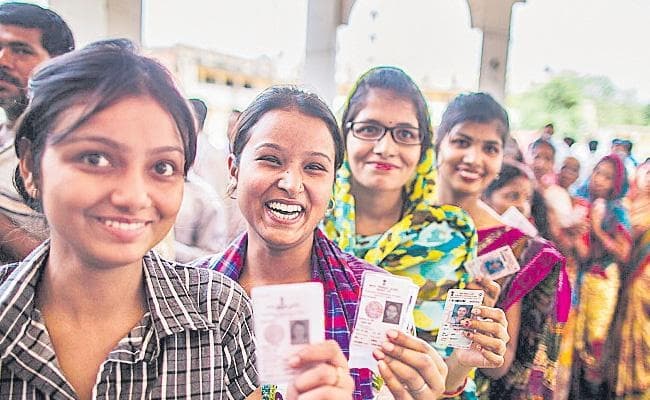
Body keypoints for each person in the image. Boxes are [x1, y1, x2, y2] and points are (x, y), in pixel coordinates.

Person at [0, 40, 257, 398]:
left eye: (162, 167)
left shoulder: (219, 311)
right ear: (30, 165)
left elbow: (264, 391)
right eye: (95, 159)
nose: (134, 197)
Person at [194, 85, 451, 400]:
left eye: (314, 167)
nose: (291, 184)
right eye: (270, 160)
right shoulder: (187, 293)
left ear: (332, 186)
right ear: (234, 170)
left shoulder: (373, 298)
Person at [323, 67, 510, 398]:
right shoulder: (310, 221)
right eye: (369, 129)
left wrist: (463, 361)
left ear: (424, 147)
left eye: (405, 134)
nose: (385, 147)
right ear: (344, 135)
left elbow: (445, 379)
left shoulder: (449, 237)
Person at [434, 92, 570, 399]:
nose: (474, 158)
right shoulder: (399, 220)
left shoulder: (511, 245)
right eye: (461, 142)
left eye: (490, 148)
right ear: (438, 144)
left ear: (500, 159)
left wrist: (484, 335)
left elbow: (501, 364)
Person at [0, 2, 74, 263]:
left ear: (59, 64)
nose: (3, 61)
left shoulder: (72, 147)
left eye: (21, 50)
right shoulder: (4, 139)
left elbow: (75, 267)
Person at [571, 153, 632, 398]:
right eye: (597, 172)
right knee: (576, 338)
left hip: (603, 279)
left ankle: (592, 391)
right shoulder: (581, 201)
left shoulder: (618, 211)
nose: (599, 180)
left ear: (616, 183)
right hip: (581, 276)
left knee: (596, 337)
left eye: (607, 177)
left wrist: (597, 228)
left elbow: (623, 253)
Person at [609, 160, 650, 398]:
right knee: (624, 328)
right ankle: (623, 383)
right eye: (648, 172)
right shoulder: (624, 205)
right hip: (624, 277)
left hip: (644, 278)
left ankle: (641, 385)